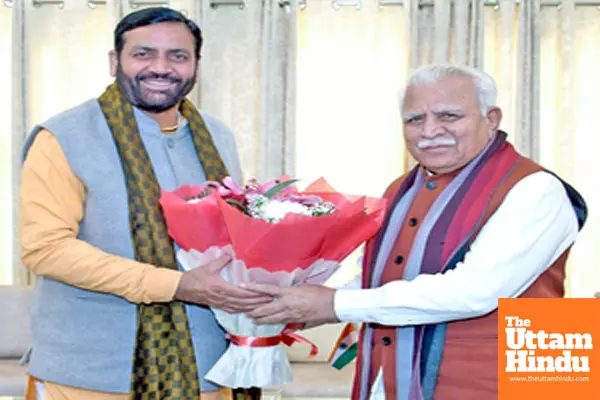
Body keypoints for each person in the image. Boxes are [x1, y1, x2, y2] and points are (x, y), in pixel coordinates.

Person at [244, 64, 588, 400]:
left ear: (492, 118)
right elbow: (377, 278)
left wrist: (334, 304)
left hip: (505, 383)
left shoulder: (535, 189)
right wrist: (294, 307)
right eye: (415, 119)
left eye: (449, 116)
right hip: (391, 375)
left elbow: (475, 291)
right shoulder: (402, 188)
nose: (430, 130)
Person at [19, 7, 271, 400]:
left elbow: (232, 238)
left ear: (197, 66)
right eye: (143, 54)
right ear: (113, 61)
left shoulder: (217, 136)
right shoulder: (64, 137)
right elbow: (46, 250)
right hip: (92, 374)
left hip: (211, 369)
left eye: (178, 56)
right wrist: (176, 285)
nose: (161, 67)